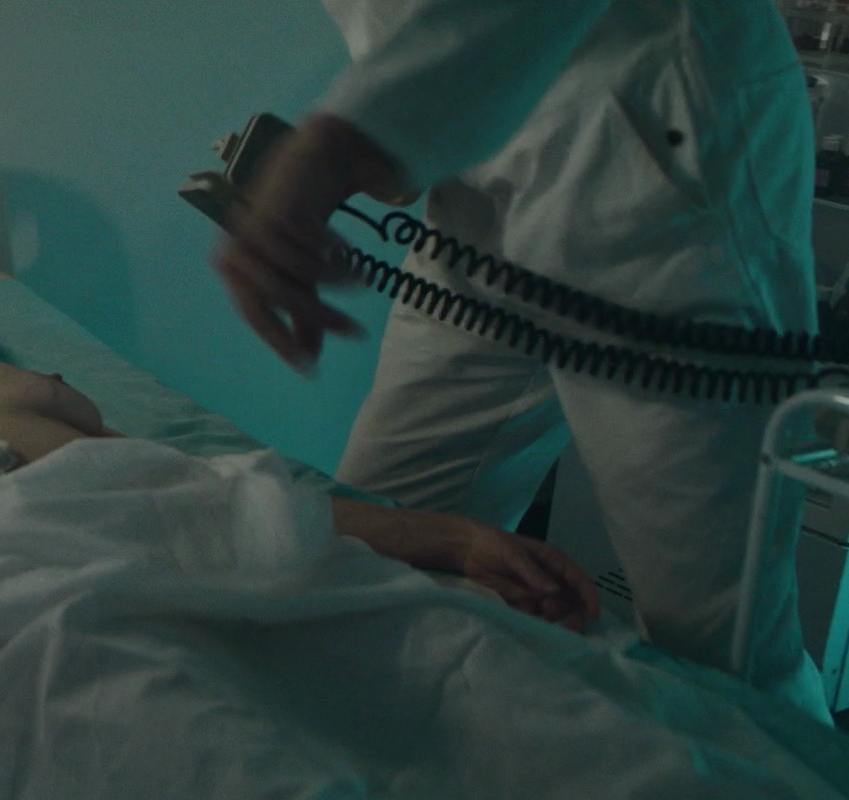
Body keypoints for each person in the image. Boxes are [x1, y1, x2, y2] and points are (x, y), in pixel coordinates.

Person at [0, 262, 598, 798]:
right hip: (25, 597)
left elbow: (208, 489)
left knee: (505, 704)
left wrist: (446, 538)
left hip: (180, 530)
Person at [210, 1, 831, 720]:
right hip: (484, 177)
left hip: (658, 136)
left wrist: (344, 141)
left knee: (720, 652)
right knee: (385, 550)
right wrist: (390, 126)